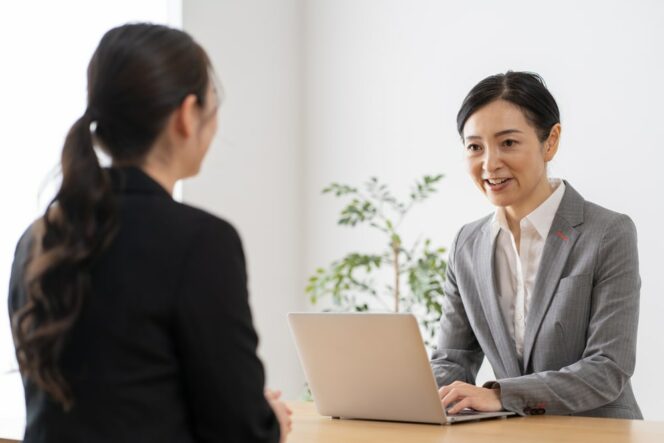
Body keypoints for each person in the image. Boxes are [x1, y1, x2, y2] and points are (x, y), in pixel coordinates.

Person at [8, 23, 291, 442]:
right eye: (213, 106)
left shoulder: (39, 239)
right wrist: (270, 421)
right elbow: (241, 433)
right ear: (186, 115)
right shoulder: (201, 242)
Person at [431, 71, 642, 419]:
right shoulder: (466, 245)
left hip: (598, 433)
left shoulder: (608, 233)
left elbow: (608, 369)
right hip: (514, 434)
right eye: (474, 147)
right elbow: (452, 358)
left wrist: (501, 394)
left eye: (508, 143)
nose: (489, 164)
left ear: (551, 141)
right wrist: (422, 396)